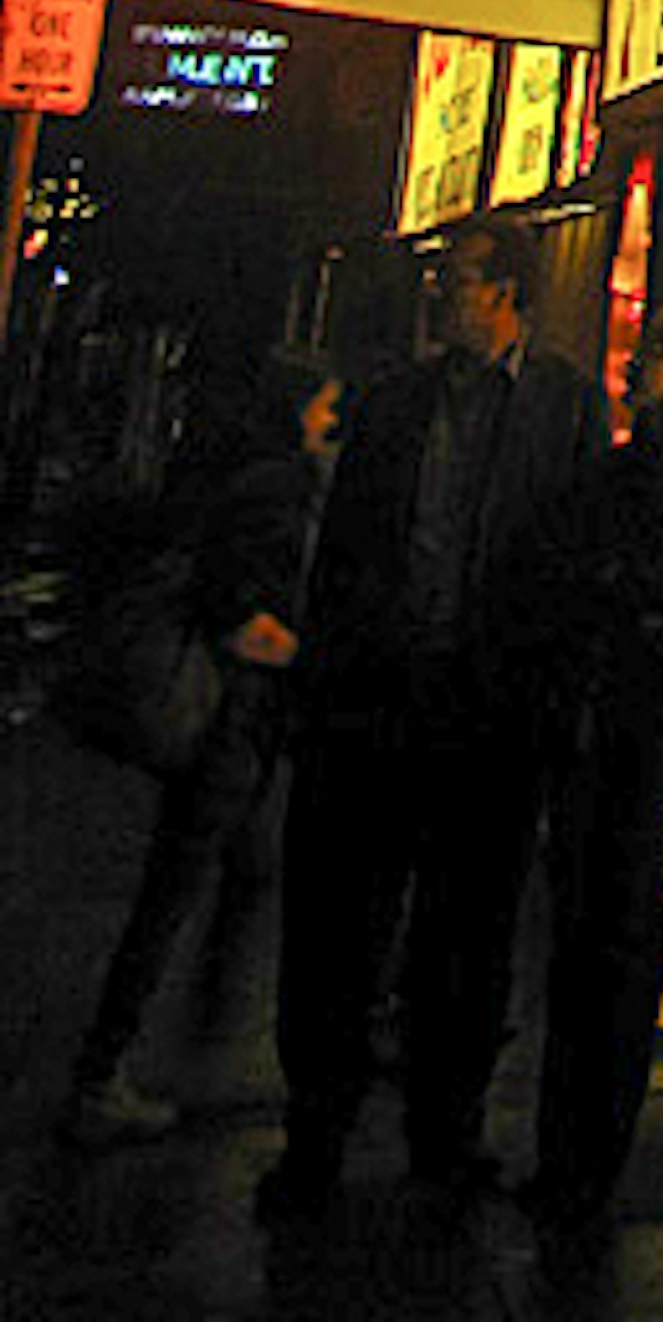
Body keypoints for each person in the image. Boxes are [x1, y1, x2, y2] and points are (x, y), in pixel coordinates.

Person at [259, 211, 599, 1213]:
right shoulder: (398, 400)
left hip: (488, 711)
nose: (441, 293)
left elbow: (567, 561)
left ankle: (442, 1132)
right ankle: (317, 1128)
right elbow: (347, 555)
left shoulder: (559, 405)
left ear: (507, 293)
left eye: (458, 279)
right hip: (380, 699)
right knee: (342, 926)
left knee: (468, 929)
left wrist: (547, 696)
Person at [65, 349, 341, 1142]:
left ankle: (184, 1040)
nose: (333, 423)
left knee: (231, 869)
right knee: (180, 884)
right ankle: (109, 1066)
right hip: (232, 717)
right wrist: (312, 655)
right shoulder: (277, 492)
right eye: (325, 408)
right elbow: (240, 610)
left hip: (234, 720)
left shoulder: (235, 476)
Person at [534, 306, 663, 1236]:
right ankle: (571, 1153)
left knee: (614, 930)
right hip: (636, 708)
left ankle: (585, 1156)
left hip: (644, 716)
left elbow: (642, 575)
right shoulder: (649, 473)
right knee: (591, 929)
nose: (634, 368)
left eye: (654, 358)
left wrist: (608, 581)